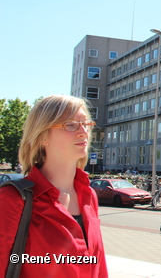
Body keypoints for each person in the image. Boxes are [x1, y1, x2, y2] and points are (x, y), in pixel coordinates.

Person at [0, 94, 108, 277]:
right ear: (43, 136)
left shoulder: (88, 195)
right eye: (71, 125)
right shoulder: (12, 199)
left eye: (86, 124)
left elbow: (99, 265)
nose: (84, 132)